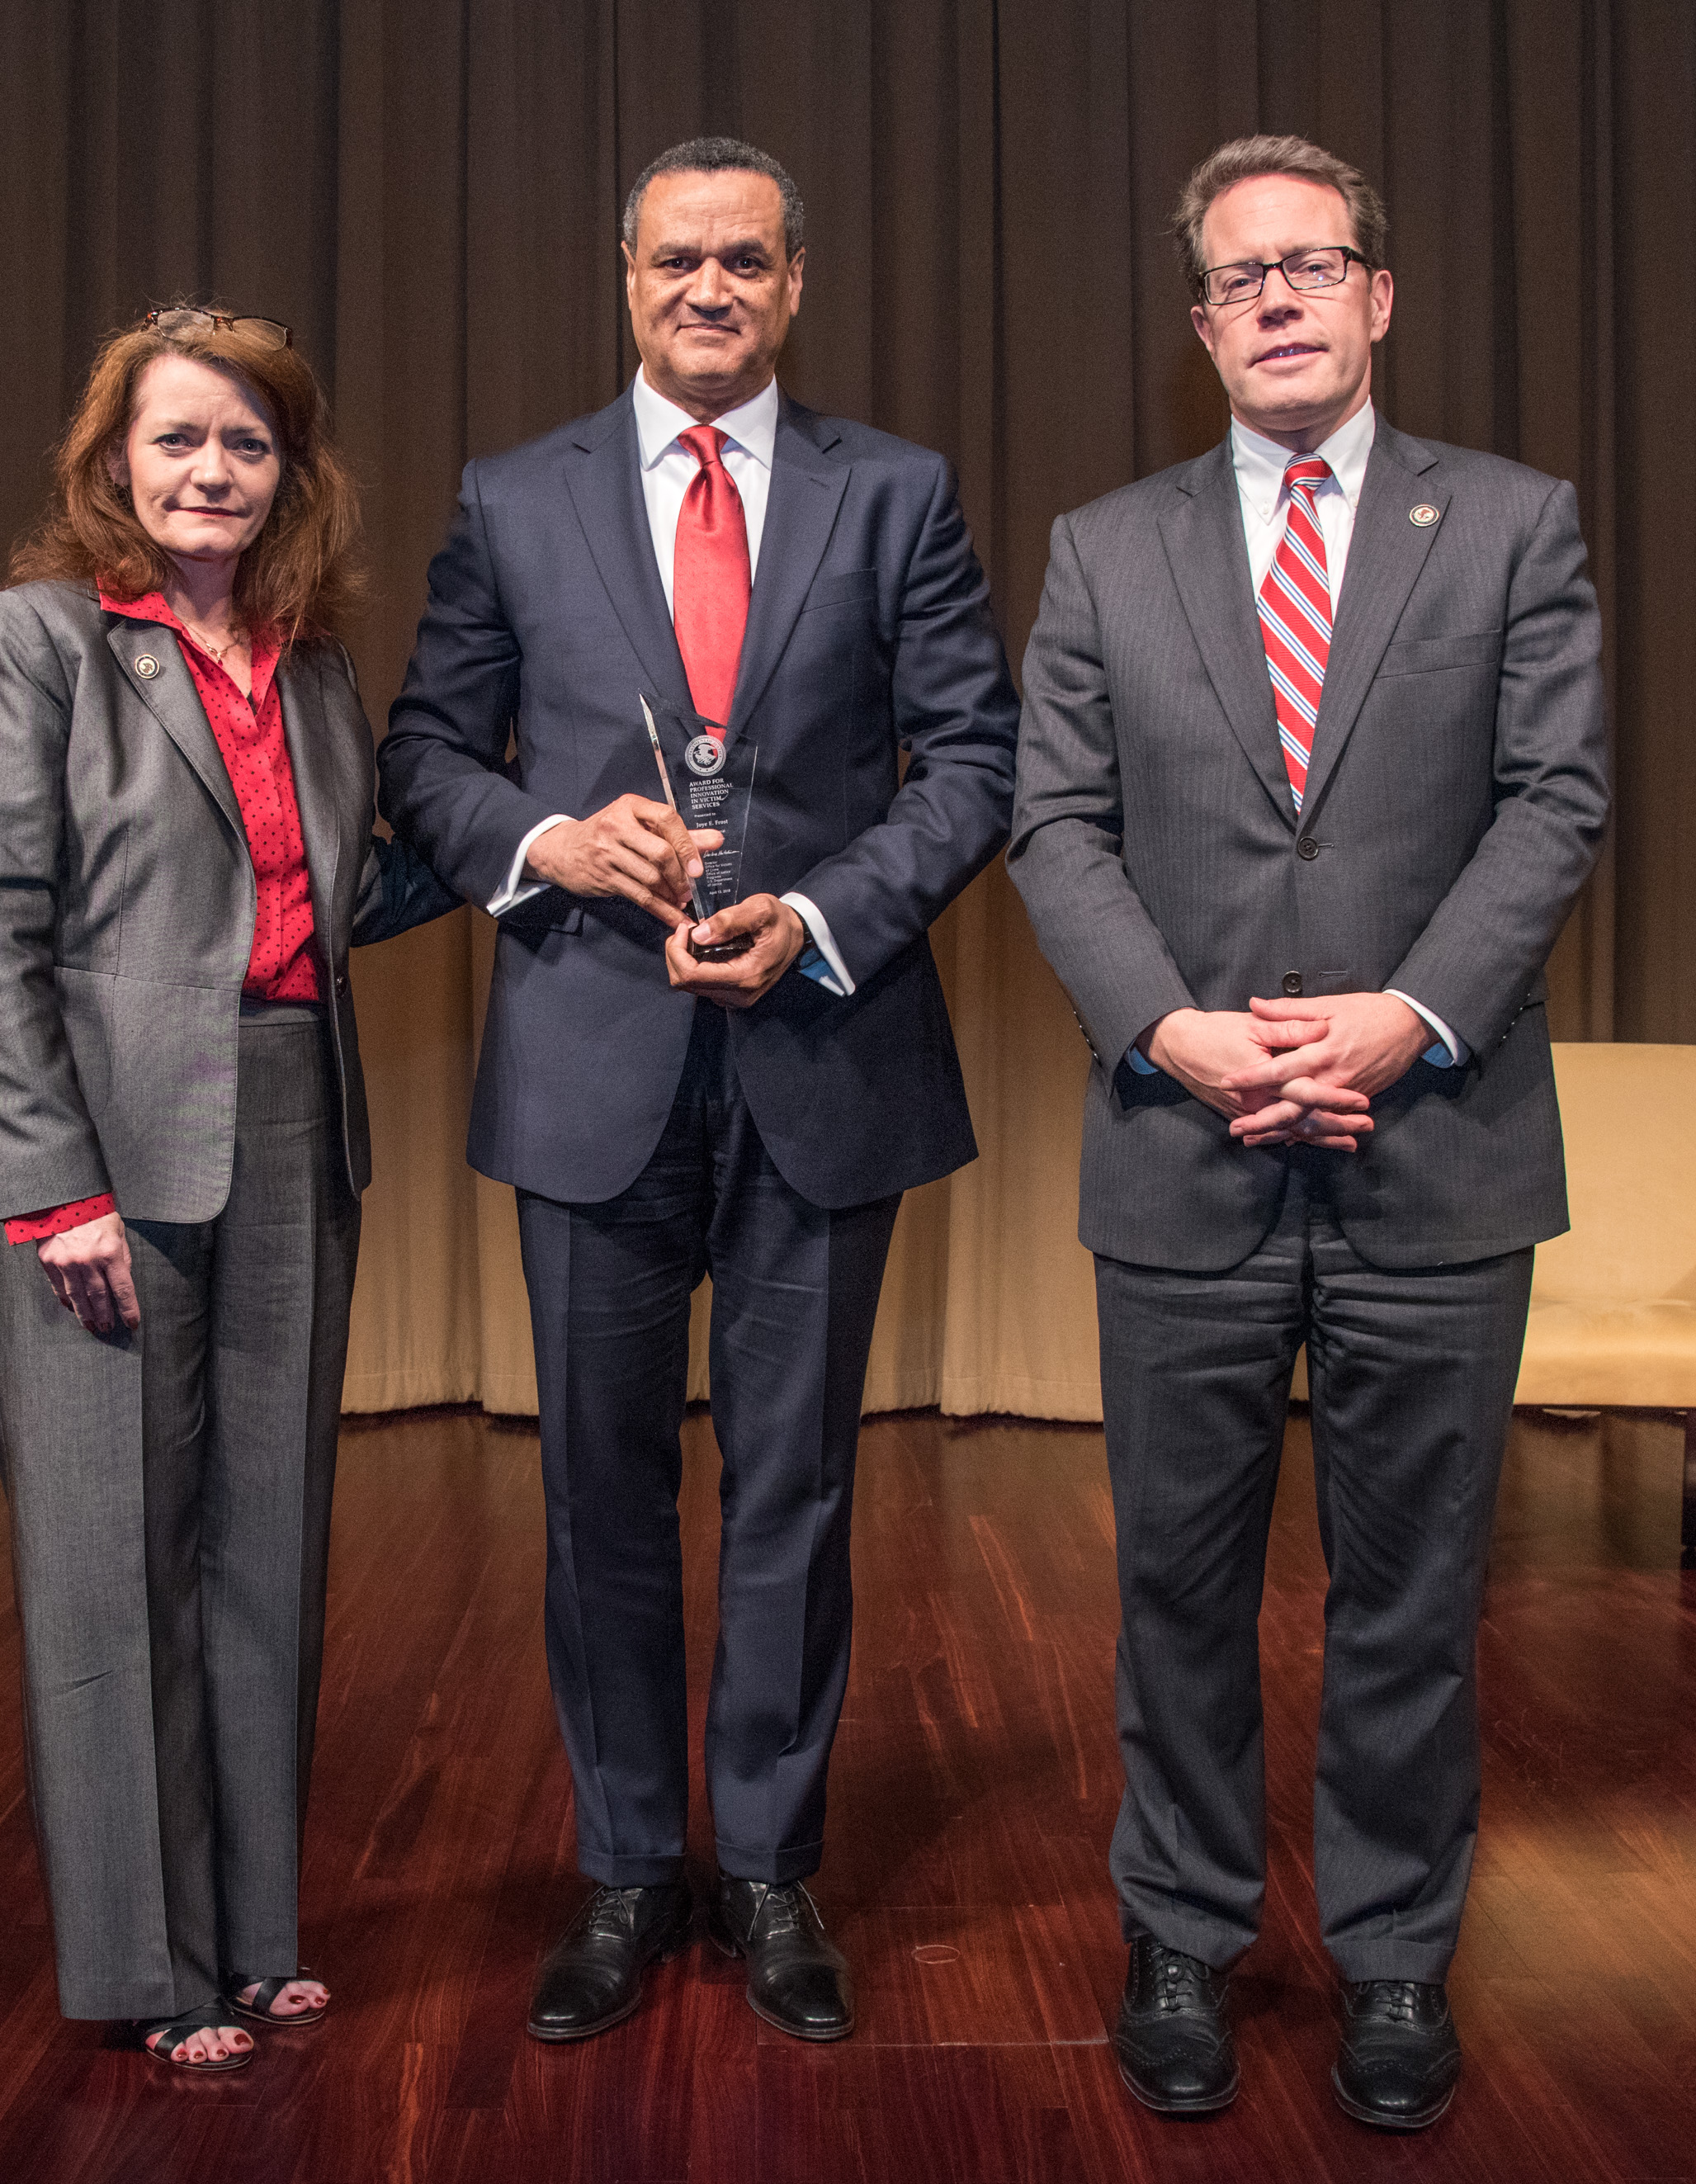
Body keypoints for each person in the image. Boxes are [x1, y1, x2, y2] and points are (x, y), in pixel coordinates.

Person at [378, 136, 1018, 2045]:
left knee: (795, 1493)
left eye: (745, 260)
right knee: (595, 1493)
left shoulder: (894, 491)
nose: (709, 288)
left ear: (794, 283)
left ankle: (766, 1871)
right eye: (677, 261)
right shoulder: (514, 498)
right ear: (627, 278)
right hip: (590, 1060)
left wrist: (822, 910)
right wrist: (549, 843)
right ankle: (626, 1871)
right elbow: (424, 748)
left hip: (823, 1044)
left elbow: (973, 759)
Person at [1007, 135, 1610, 2129]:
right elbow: (1055, 827)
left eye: (1312, 263)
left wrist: (1404, 1018)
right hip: (1180, 1149)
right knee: (1173, 1591)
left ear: (1374, 298)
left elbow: (1551, 805)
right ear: (1199, 324)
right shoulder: (1104, 549)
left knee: (1411, 1596)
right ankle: (1177, 1934)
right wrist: (1174, 1033)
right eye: (1238, 275)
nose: (1277, 297)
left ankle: (1394, 1964)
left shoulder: (1510, 527)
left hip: (1430, 1154)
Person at [0, 302, 454, 2073]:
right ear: (111, 462)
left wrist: (533, 853)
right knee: (108, 1570)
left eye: (244, 442)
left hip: (291, 1116)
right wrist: (49, 1184)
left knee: (266, 1553)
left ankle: (252, 1935)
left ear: (287, 470)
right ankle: (145, 1968)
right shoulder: (40, 640)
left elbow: (323, 892)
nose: (210, 470)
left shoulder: (306, 661)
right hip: (88, 1147)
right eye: (175, 440)